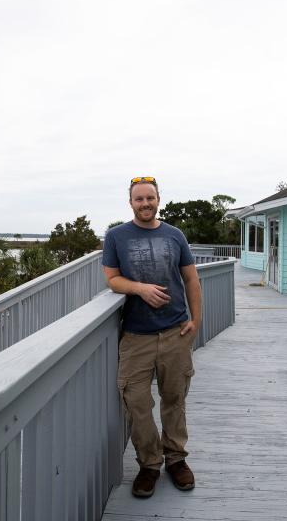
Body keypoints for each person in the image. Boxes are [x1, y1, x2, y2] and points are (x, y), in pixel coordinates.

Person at [102, 176, 203, 498]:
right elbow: (112, 280)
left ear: (158, 199)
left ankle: (176, 459)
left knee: (175, 400)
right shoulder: (116, 236)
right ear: (130, 203)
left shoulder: (175, 235)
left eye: (150, 198)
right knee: (137, 404)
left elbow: (191, 279)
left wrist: (196, 320)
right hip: (136, 336)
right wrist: (140, 288)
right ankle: (149, 464)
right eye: (139, 199)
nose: (145, 203)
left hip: (175, 332)